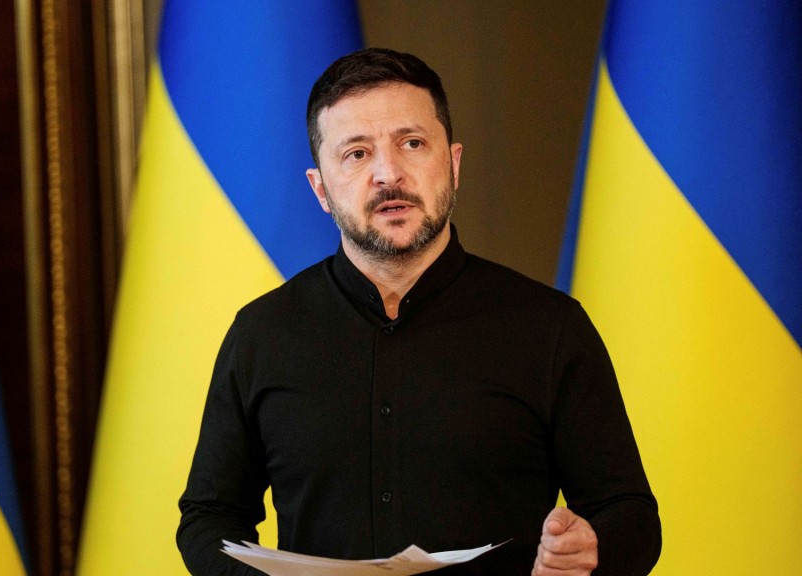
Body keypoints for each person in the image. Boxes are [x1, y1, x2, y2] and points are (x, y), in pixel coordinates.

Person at [177, 47, 661, 575]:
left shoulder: (549, 327)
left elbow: (631, 515)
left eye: (412, 143)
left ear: (453, 164)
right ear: (321, 189)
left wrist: (592, 547)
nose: (389, 174)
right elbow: (209, 518)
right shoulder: (262, 333)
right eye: (357, 153)